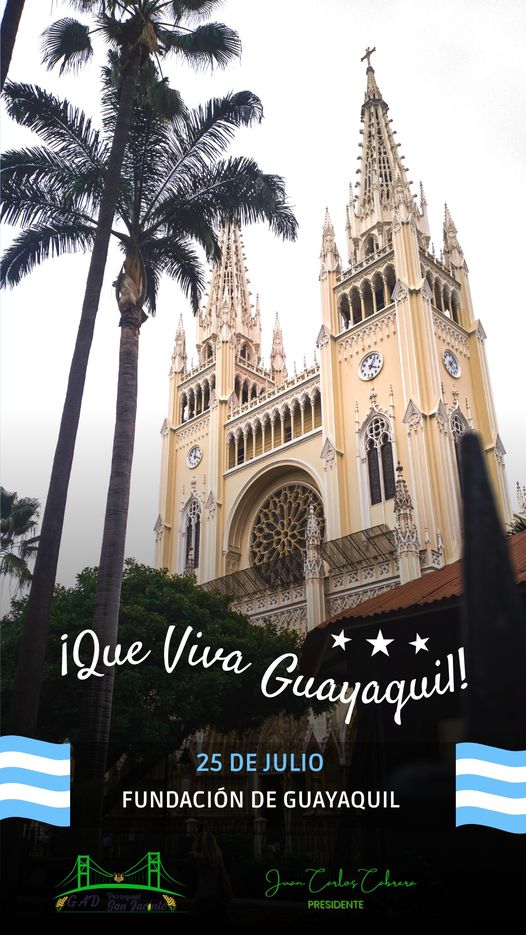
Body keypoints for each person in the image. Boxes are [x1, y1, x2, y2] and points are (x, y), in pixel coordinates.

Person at [190, 829, 233, 920]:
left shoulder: (200, 859)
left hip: (203, 896)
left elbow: (192, 852)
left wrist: (196, 838)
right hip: (218, 897)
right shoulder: (218, 858)